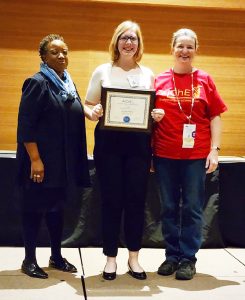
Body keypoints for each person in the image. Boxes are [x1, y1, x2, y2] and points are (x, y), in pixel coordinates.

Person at [16, 34, 100, 279]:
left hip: (62, 163)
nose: (61, 56)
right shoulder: (38, 82)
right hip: (40, 162)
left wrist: (90, 112)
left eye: (64, 51)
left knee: (57, 210)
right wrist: (35, 159)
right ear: (43, 56)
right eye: (54, 52)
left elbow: (72, 106)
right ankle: (29, 259)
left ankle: (56, 256)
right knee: (33, 209)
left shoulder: (66, 82)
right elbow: (26, 125)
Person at [85, 20, 162, 281]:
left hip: (139, 147)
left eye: (134, 39)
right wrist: (93, 112)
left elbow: (152, 110)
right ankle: (110, 258)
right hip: (108, 145)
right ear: (116, 42)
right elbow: (87, 104)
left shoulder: (148, 74)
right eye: (124, 38)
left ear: (139, 44)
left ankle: (134, 257)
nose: (129, 43)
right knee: (111, 201)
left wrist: (156, 114)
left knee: (135, 202)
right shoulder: (102, 71)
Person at [152, 28, 227, 280]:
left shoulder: (205, 79)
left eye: (189, 46)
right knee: (169, 207)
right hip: (164, 154)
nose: (184, 51)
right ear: (172, 48)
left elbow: (215, 116)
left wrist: (214, 150)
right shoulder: (159, 80)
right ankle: (172, 256)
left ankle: (188, 258)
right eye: (180, 46)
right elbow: (146, 118)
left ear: (196, 49)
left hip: (195, 155)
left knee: (193, 208)